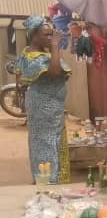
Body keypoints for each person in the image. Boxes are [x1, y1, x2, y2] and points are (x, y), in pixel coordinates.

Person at [15, 15, 71, 184]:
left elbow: (17, 72)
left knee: (50, 142)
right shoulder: (35, 58)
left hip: (50, 108)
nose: (50, 38)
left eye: (51, 34)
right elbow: (54, 71)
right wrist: (55, 46)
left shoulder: (35, 53)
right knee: (45, 144)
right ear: (34, 36)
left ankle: (47, 182)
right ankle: (47, 184)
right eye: (46, 35)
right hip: (43, 107)